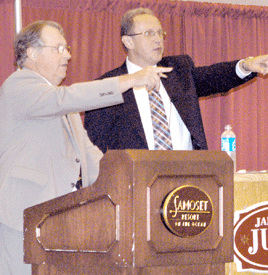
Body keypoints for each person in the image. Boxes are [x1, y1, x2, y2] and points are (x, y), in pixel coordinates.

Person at [0, 20, 172, 274]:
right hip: (23, 217)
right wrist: (129, 81)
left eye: (66, 48)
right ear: (31, 53)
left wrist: (135, 182)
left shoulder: (57, 99)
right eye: (58, 48)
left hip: (58, 218)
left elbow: (89, 154)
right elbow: (66, 98)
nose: (68, 55)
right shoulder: (19, 86)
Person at [84, 8, 268, 152]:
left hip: (188, 180)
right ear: (128, 41)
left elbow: (213, 77)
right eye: (149, 33)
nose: (158, 39)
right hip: (137, 187)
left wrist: (245, 66)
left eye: (160, 33)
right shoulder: (109, 86)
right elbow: (97, 148)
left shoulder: (178, 70)